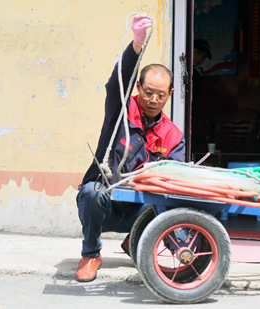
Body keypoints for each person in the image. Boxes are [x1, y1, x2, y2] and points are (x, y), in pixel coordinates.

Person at [75, 14, 185, 282]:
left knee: (172, 197)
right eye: (148, 92)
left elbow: (175, 183)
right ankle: (91, 253)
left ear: (170, 94)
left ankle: (134, 241)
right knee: (90, 192)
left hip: (141, 210)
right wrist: (137, 44)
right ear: (138, 87)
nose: (153, 99)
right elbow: (117, 82)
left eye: (161, 95)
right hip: (108, 207)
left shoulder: (173, 135)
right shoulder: (120, 111)